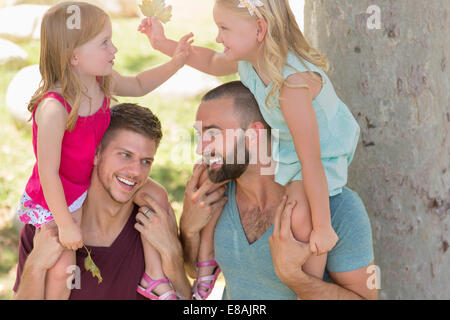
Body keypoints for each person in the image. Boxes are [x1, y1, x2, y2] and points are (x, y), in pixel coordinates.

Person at [139, 0, 360, 299]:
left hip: (321, 154)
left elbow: (311, 161)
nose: (218, 37)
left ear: (259, 29)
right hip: (288, 145)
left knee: (300, 215)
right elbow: (211, 62)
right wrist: (163, 43)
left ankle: (307, 280)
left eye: (224, 28)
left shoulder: (291, 86)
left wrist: (322, 227)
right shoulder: (250, 60)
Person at [16, 1, 192, 300]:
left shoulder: (101, 83)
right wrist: (66, 224)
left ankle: (154, 276)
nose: (114, 49)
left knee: (156, 195)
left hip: (89, 178)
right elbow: (47, 172)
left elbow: (138, 83)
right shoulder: (54, 108)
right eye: (104, 43)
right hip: (59, 198)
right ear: (73, 55)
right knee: (62, 269)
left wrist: (176, 62)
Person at [180, 81, 377, 299]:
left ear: (254, 134)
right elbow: (195, 270)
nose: (201, 148)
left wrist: (295, 278)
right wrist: (188, 229)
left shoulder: (338, 207)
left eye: (213, 135)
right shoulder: (215, 196)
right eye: (200, 136)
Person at [13, 103, 191, 300]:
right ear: (96, 154)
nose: (136, 172)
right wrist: (36, 265)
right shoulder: (48, 228)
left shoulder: (152, 224)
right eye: (125, 155)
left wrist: (173, 256)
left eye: (146, 161)